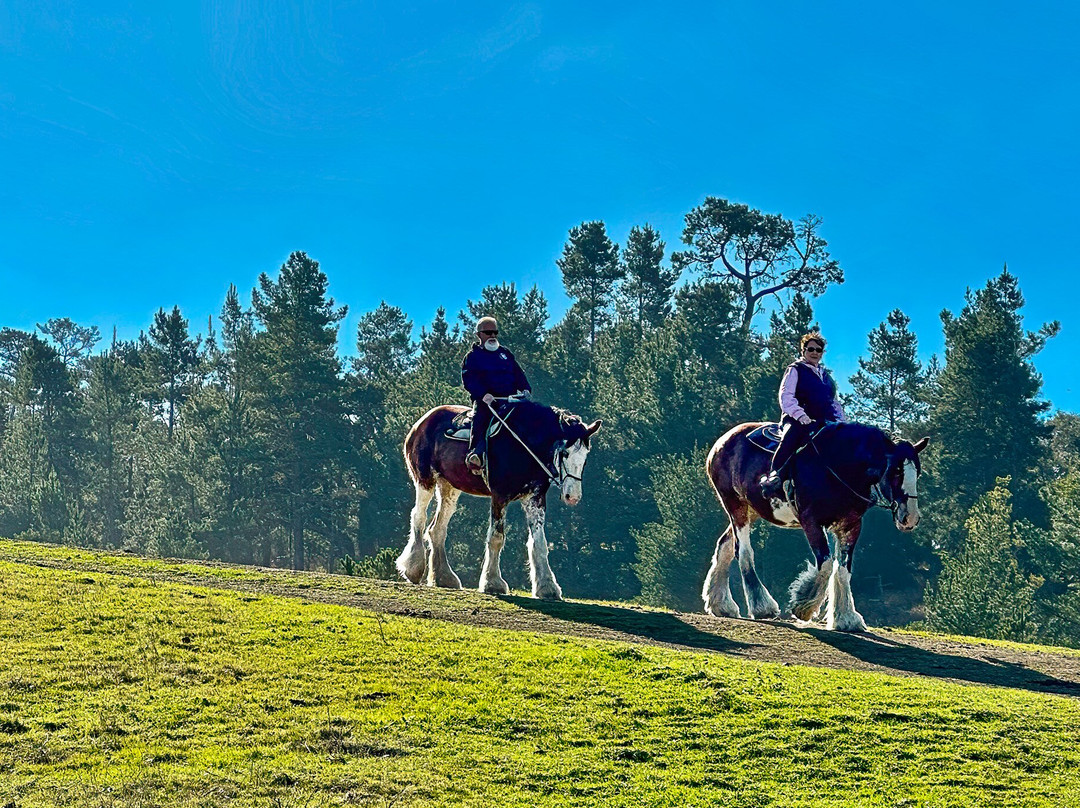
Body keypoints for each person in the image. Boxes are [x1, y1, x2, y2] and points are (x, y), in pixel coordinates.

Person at [760, 332, 846, 499]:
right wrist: (801, 416)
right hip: (797, 419)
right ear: (803, 350)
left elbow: (834, 402)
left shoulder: (826, 377)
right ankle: (774, 475)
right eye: (811, 349)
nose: (815, 353)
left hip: (824, 421)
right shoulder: (795, 370)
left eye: (818, 350)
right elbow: (786, 397)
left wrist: (842, 423)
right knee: (791, 436)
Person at [461, 316, 532, 473]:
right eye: (488, 332)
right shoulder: (472, 357)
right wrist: (483, 394)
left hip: (511, 401)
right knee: (480, 421)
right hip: (487, 402)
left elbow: (518, 373)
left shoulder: (505, 354)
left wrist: (526, 388)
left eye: (495, 332)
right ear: (479, 335)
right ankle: (476, 455)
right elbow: (469, 380)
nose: (492, 336)